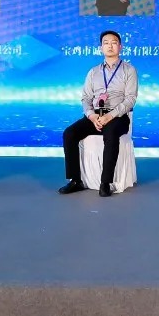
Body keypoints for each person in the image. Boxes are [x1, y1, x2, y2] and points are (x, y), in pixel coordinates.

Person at [58, 30, 138, 197]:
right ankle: (75, 180)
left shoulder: (129, 70)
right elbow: (86, 98)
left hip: (118, 117)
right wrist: (91, 115)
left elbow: (130, 99)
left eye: (114, 42)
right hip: (95, 116)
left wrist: (110, 115)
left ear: (120, 47)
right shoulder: (93, 72)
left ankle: (105, 182)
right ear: (101, 48)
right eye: (106, 43)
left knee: (110, 131)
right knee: (69, 133)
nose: (110, 46)